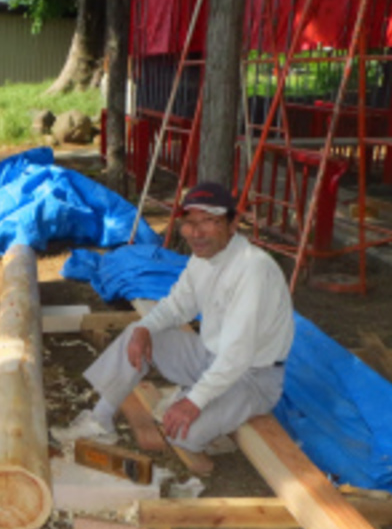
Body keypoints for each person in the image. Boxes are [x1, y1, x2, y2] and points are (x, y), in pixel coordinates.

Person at [53, 181, 295, 452]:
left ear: (233, 222)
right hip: (209, 356)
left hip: (252, 377)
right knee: (136, 334)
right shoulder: (203, 258)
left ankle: (214, 412)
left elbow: (237, 355)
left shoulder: (253, 270)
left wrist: (193, 403)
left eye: (208, 221)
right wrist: (145, 328)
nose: (196, 232)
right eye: (190, 222)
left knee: (182, 434)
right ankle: (100, 421)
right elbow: (177, 306)